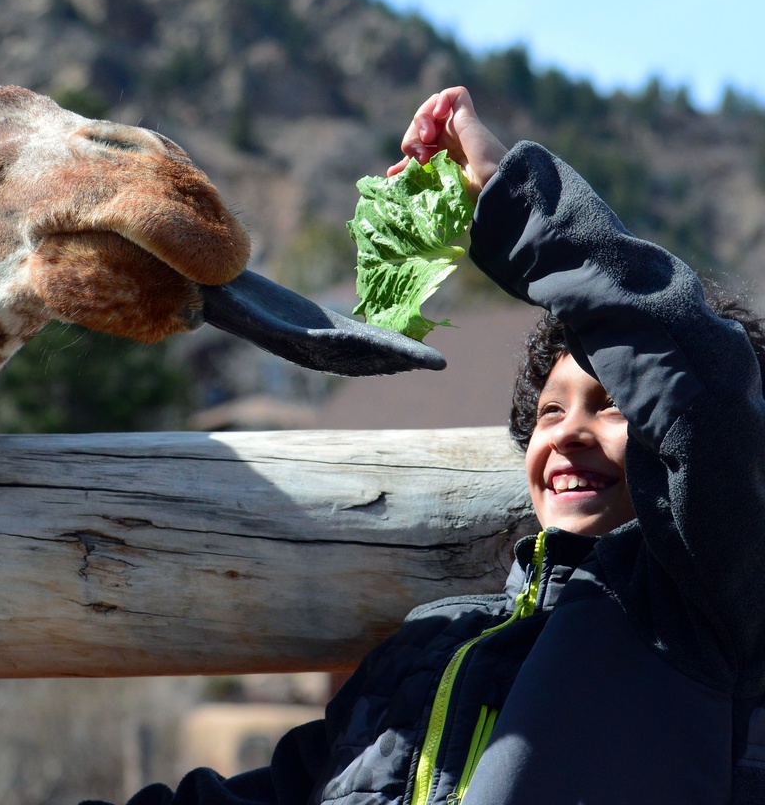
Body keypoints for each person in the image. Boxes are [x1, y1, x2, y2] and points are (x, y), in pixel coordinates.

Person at [82, 87, 765, 805]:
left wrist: (510, 192)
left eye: (613, 404)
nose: (566, 431)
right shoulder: (426, 650)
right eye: (550, 412)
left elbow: (702, 392)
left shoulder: (706, 611)